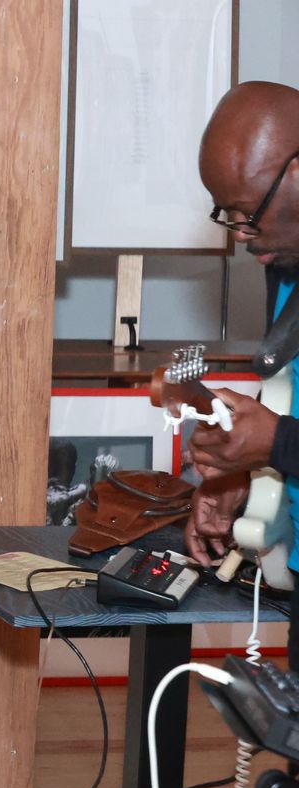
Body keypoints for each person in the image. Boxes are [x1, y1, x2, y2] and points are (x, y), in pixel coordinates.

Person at [184, 80, 299, 660]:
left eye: (248, 210)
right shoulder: (287, 259)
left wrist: (276, 443)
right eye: (225, 212)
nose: (240, 231)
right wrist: (243, 475)